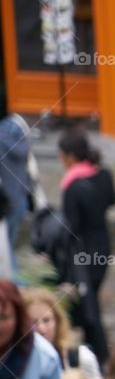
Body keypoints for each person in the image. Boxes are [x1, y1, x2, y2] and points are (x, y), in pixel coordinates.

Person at [57, 128, 115, 363]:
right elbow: (112, 200)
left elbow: (71, 226)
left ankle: (98, 353)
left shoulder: (72, 186)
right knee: (89, 298)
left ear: (70, 156)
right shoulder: (104, 175)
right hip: (103, 246)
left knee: (87, 305)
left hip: (83, 253)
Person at [22, 286, 113, 379]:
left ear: (57, 321)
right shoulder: (15, 361)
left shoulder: (80, 357)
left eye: (46, 320)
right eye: (33, 322)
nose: (41, 329)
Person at [0, 113, 35, 277]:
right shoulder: (18, 129)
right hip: (20, 198)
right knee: (9, 246)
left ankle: (13, 287)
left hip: (6, 204)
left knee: (5, 250)